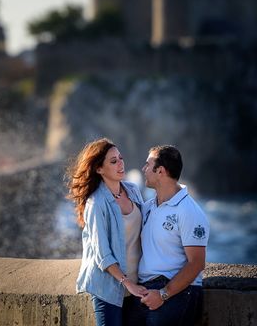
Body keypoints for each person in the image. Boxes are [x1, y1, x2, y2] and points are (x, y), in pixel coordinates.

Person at [125, 145, 210, 326]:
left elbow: (196, 263)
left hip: (176, 293)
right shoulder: (147, 207)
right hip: (145, 291)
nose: (143, 169)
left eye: (147, 165)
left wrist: (163, 294)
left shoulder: (190, 211)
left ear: (161, 171)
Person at [68, 138, 148, 326]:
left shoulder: (133, 190)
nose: (120, 164)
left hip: (138, 284)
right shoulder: (96, 203)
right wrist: (128, 284)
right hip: (108, 288)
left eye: (120, 158)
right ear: (99, 169)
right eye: (113, 161)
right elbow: (102, 254)